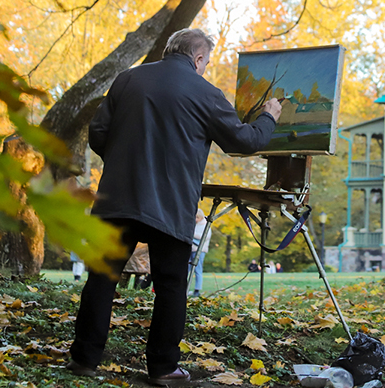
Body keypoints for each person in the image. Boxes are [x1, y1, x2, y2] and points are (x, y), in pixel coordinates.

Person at [68, 28, 282, 384]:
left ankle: (84, 359)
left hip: (117, 199)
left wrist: (124, 163)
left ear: (170, 50)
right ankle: (164, 368)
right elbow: (244, 142)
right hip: (170, 205)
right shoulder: (206, 94)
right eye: (207, 63)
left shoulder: (127, 79)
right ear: (198, 60)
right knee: (170, 286)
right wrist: (269, 116)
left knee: (101, 280)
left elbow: (98, 133)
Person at [188, 209, 211, 298]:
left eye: (197, 217)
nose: (195, 219)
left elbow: (205, 236)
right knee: (187, 269)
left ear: (201, 217)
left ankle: (197, 289)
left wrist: (192, 233)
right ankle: (186, 287)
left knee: (198, 269)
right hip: (191, 249)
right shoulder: (195, 224)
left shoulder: (205, 224)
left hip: (200, 250)